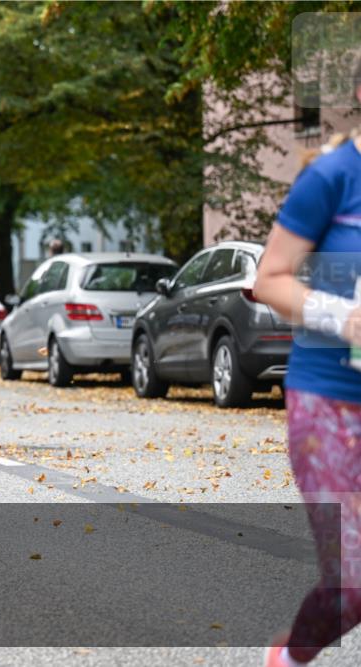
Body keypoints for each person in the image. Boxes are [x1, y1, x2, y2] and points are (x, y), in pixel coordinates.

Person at [254, 68, 361, 667]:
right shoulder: (331, 177)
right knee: (354, 582)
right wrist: (342, 316)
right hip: (330, 404)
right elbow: (269, 280)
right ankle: (290, 658)